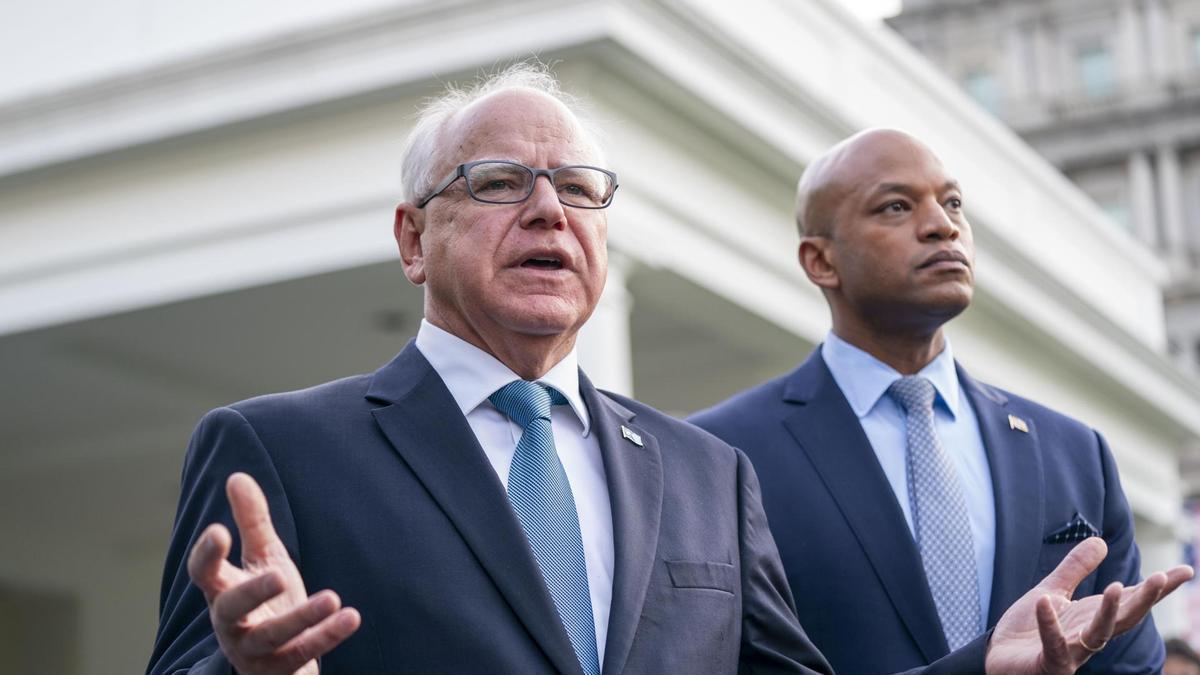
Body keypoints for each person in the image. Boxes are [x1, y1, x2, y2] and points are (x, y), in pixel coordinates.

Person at [146, 69, 1187, 675]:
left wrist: (979, 672)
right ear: (414, 240)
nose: (551, 210)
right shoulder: (278, 450)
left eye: (581, 189)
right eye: (502, 182)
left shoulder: (704, 473)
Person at [690, 128, 1183, 674]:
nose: (942, 225)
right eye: (896, 206)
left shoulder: (1075, 452)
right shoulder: (717, 454)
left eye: (952, 204)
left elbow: (1128, 666)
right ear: (820, 262)